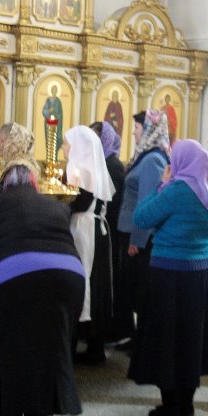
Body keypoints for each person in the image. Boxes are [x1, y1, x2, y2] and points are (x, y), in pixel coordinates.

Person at [0, 153, 84, 416]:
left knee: (9, 357)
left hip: (14, 280)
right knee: (47, 356)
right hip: (68, 281)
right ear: (34, 183)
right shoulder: (54, 205)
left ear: (3, 182)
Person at [128, 139, 208, 416]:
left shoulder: (174, 191)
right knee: (193, 340)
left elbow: (141, 217)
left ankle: (170, 409)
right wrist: (201, 251)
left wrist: (161, 184)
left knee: (167, 340)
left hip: (169, 274)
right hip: (204, 275)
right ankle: (187, 406)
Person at [113, 109, 171, 349]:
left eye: (137, 128)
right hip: (130, 232)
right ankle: (135, 337)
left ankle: (142, 341)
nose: (134, 133)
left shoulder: (153, 160)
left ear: (149, 130)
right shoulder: (145, 156)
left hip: (137, 236)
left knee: (138, 289)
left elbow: (146, 203)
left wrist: (137, 239)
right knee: (132, 287)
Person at [64, 126, 115, 364]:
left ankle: (74, 342)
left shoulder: (80, 171)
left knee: (82, 281)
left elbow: (74, 204)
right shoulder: (93, 168)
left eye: (67, 143)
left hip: (84, 232)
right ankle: (95, 345)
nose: (64, 148)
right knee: (95, 283)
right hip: (95, 231)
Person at [89, 121, 125, 343]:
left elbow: (113, 202)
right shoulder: (101, 161)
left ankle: (109, 329)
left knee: (109, 281)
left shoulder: (112, 165)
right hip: (102, 226)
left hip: (109, 229)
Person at [42, 84, 64, 151]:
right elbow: (44, 111)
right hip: (48, 123)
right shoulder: (48, 100)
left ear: (56, 91)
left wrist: (57, 116)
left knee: (56, 141)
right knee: (49, 140)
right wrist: (49, 111)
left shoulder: (58, 101)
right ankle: (49, 154)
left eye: (55, 90)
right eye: (53, 90)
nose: (54, 91)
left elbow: (60, 113)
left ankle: (55, 155)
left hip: (57, 124)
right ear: (51, 91)